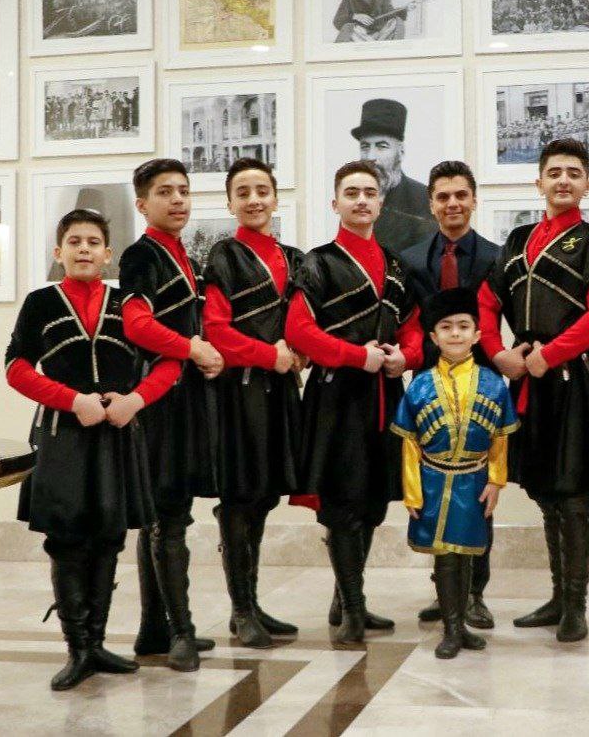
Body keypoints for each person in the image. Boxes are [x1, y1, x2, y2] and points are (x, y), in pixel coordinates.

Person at [5, 209, 177, 691]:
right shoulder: (40, 303)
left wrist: (136, 400)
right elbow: (16, 367)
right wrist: (72, 400)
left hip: (118, 430)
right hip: (62, 433)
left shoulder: (129, 304)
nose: (84, 249)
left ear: (108, 254)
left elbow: (169, 361)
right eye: (74, 241)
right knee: (66, 539)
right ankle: (77, 648)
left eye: (93, 242)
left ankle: (98, 643)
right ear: (58, 253)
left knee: (109, 536)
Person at [478, 137, 589, 643]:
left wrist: (552, 353)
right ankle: (559, 597)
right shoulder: (517, 239)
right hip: (528, 380)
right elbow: (487, 301)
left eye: (574, 173)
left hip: (577, 380)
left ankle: (576, 607)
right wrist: (498, 353)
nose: (563, 180)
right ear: (538, 181)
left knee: (575, 495)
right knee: (544, 491)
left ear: (588, 184)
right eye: (555, 172)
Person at [285, 160, 423, 644]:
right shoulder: (317, 263)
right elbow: (299, 330)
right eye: (351, 193)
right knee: (343, 504)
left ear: (381, 203)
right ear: (335, 203)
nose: (361, 200)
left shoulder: (398, 265)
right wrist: (355, 356)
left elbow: (414, 328)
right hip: (336, 398)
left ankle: (346, 598)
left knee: (372, 505)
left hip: (385, 395)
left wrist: (405, 357)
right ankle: (355, 609)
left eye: (369, 193)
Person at [119, 158, 222, 671]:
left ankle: (153, 629)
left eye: (183, 190)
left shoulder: (182, 253)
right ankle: (181, 632)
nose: (178, 199)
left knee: (162, 514)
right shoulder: (141, 255)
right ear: (143, 204)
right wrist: (192, 348)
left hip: (184, 397)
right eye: (165, 192)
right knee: (169, 515)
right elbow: (135, 324)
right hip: (160, 400)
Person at [202, 158, 305, 649]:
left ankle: (252, 603)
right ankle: (241, 610)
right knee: (241, 498)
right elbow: (215, 330)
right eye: (242, 192)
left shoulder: (294, 258)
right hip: (239, 391)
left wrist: (301, 351)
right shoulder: (223, 256)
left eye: (262, 190)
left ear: (275, 197)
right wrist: (271, 355)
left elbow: (305, 322)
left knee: (264, 496)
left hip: (280, 390)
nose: (254, 200)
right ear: (230, 203)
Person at [399, 161, 502, 629]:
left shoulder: (496, 258)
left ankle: (475, 594)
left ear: (474, 200)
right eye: (443, 196)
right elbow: (406, 321)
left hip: (482, 387)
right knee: (436, 491)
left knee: (478, 493)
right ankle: (446, 593)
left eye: (461, 195)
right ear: (431, 204)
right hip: (429, 385)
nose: (452, 204)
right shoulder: (410, 258)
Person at [393, 287, 518, 658]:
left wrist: (496, 481)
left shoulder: (493, 384)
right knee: (445, 557)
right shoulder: (419, 386)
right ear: (433, 337)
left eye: (464, 326)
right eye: (446, 327)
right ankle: (450, 629)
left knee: (466, 555)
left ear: (477, 334)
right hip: (433, 481)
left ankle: (461, 625)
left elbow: (499, 440)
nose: (455, 334)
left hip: (474, 481)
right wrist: (412, 492)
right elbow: (410, 445)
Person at [351, 98, 437, 252]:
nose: (371, 156)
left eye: (382, 146)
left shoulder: (423, 200)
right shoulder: (353, 199)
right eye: (365, 147)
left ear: (400, 152)